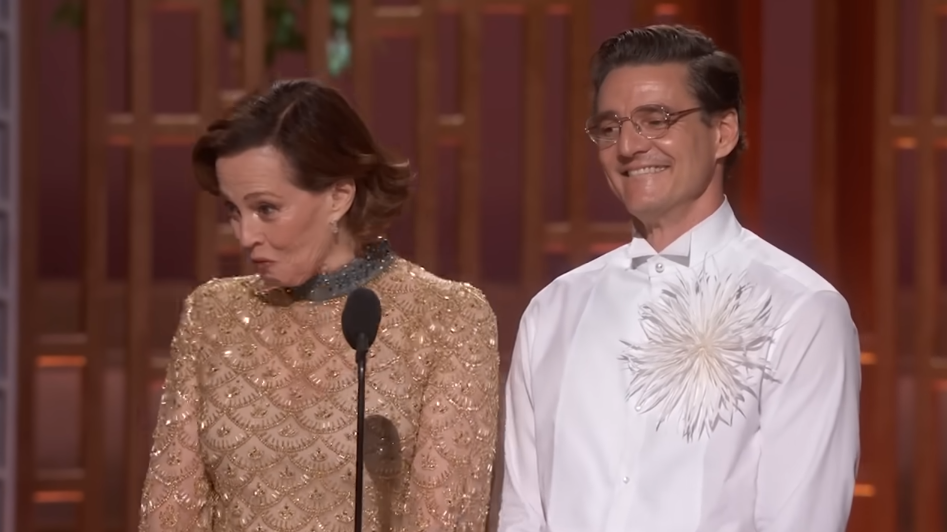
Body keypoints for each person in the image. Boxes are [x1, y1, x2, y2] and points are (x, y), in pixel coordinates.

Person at [498, 25, 860, 532]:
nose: (627, 146)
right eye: (609, 127)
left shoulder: (800, 311)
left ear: (723, 133)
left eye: (656, 119)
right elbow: (522, 512)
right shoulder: (553, 311)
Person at [137, 79, 500, 532]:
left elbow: (445, 521)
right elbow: (169, 512)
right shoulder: (212, 315)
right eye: (232, 210)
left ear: (338, 196)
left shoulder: (447, 318)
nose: (245, 235)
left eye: (266, 209)